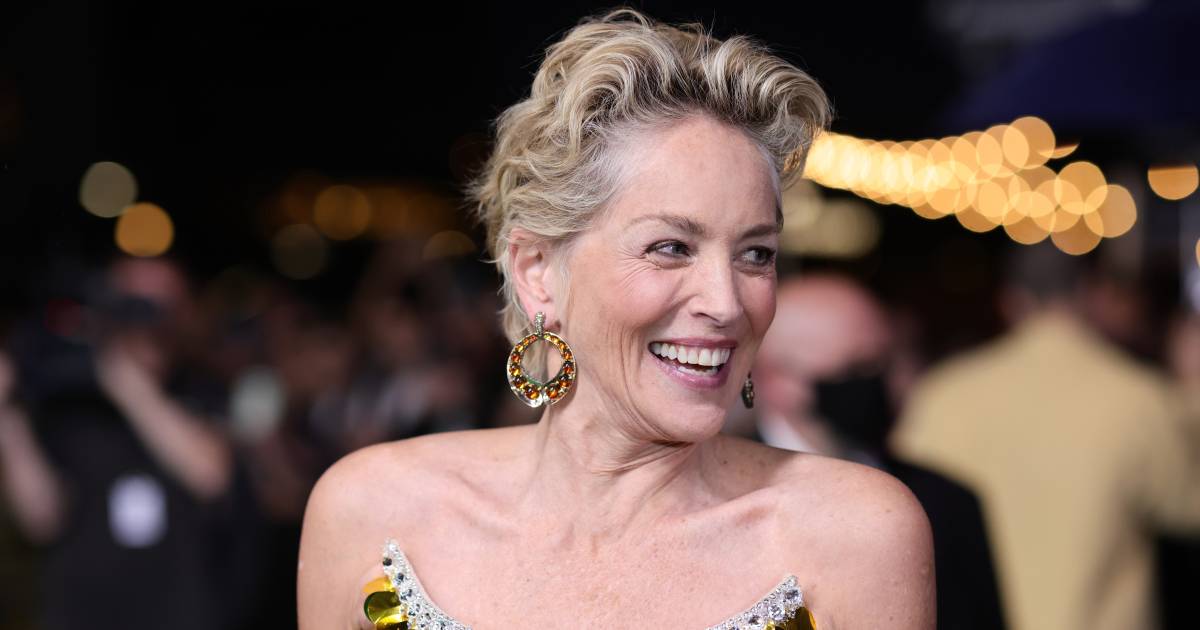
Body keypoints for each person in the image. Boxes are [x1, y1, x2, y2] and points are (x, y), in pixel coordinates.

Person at [298, 10, 934, 630]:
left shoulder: (853, 534)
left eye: (756, 254)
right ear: (538, 271)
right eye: (670, 247)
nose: (726, 302)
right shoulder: (370, 509)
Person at [892, 244, 1200, 630]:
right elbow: (1188, 509)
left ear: (1010, 300)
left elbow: (900, 507)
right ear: (1091, 294)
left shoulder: (943, 393)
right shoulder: (1139, 397)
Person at [0, 257, 249, 630]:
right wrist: (7, 416)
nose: (146, 315)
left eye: (163, 302)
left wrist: (125, 379)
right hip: (81, 614)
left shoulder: (204, 387)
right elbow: (41, 518)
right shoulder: (69, 398)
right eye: (132, 300)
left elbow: (210, 476)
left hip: (180, 613)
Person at [754, 274, 1006, 630]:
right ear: (775, 379)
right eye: (854, 369)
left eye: (883, 363)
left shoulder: (947, 502)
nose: (878, 384)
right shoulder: (721, 494)